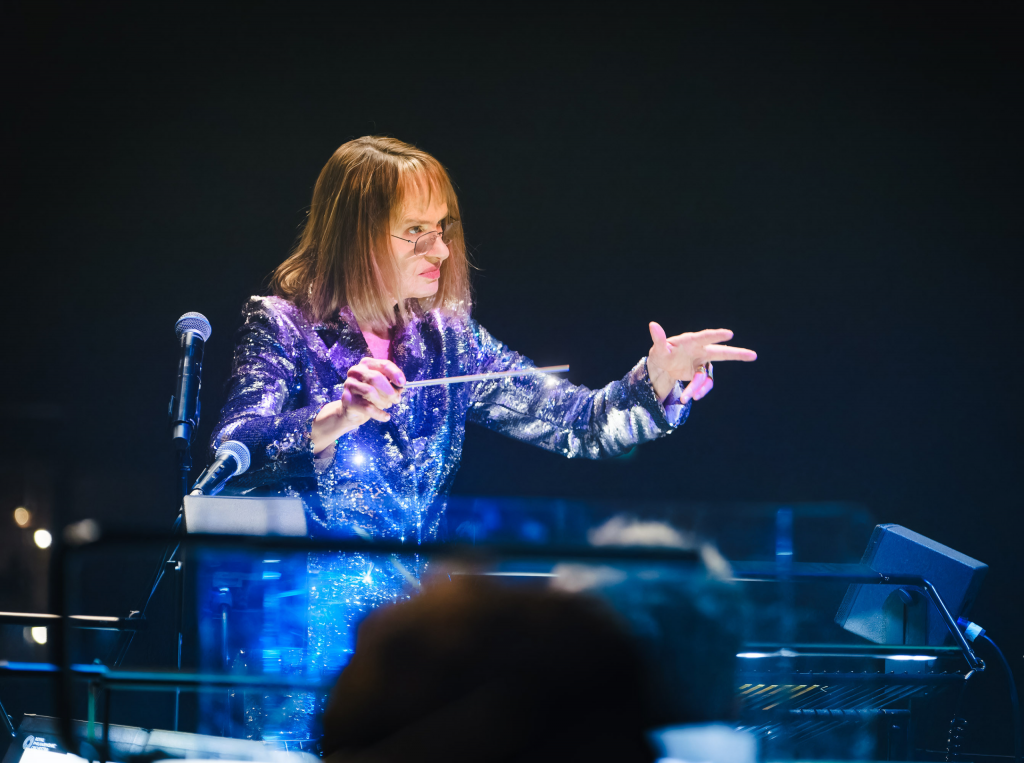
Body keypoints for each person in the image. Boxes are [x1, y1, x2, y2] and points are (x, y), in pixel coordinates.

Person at [208, 135, 756, 738]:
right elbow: (238, 450)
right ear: (354, 232)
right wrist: (338, 415)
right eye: (415, 230)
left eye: (443, 227)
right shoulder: (285, 325)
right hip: (296, 646)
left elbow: (578, 425)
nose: (439, 248)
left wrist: (655, 384)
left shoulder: (448, 340)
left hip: (405, 648)